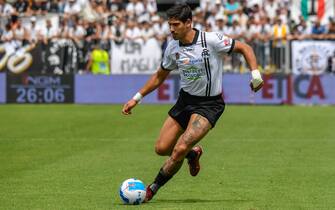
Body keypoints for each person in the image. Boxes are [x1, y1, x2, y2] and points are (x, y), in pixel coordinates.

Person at [122, 3, 263, 202]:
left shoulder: (211, 40)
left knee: (179, 148)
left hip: (209, 105)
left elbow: (245, 48)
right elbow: (159, 76)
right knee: (161, 148)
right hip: (185, 101)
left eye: (175, 24)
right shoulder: (172, 47)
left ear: (189, 23)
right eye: (169, 25)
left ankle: (151, 189)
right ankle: (192, 154)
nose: (171, 29)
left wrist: (255, 74)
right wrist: (136, 98)